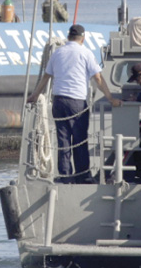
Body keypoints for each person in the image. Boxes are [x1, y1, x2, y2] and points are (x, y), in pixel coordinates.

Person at [27, 24, 122, 184]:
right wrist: (111, 98)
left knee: (63, 140)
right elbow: (98, 78)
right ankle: (82, 176)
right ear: (82, 38)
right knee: (79, 140)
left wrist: (35, 95)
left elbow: (46, 77)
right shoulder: (85, 53)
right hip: (77, 102)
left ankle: (65, 176)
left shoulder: (57, 53)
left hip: (58, 101)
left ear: (68, 37)